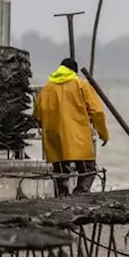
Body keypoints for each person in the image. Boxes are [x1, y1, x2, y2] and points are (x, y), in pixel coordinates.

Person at [32, 57, 109, 196]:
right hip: (78, 141)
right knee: (88, 172)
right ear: (74, 71)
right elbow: (97, 112)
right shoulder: (81, 85)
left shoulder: (47, 88)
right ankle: (78, 196)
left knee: (61, 176)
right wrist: (103, 134)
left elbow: (37, 115)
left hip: (56, 142)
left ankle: (62, 201)